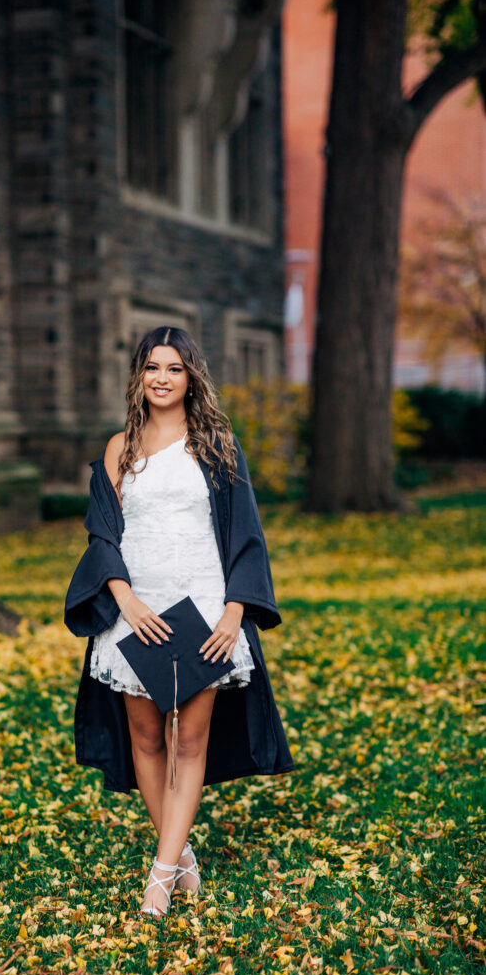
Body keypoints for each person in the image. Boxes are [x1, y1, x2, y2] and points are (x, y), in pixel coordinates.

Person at [64, 326, 294, 918]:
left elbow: (246, 533)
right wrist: (125, 601)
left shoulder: (216, 444)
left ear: (192, 376)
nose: (162, 377)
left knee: (189, 740)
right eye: (151, 367)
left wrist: (235, 612)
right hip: (136, 607)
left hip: (204, 607)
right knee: (145, 736)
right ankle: (182, 854)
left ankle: (162, 875)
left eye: (174, 367)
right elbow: (103, 533)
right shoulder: (121, 448)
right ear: (138, 376)